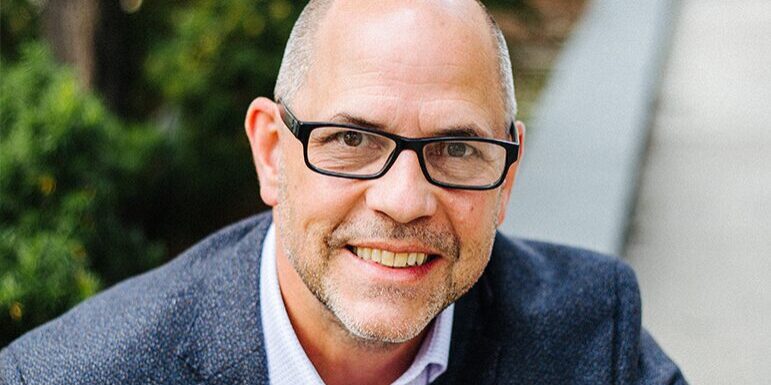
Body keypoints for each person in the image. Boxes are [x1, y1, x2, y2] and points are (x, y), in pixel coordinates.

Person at [0, 1, 687, 384]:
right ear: (272, 153)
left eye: (456, 148)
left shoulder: (593, 336)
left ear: (507, 176)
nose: (404, 199)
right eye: (353, 139)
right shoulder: (74, 375)